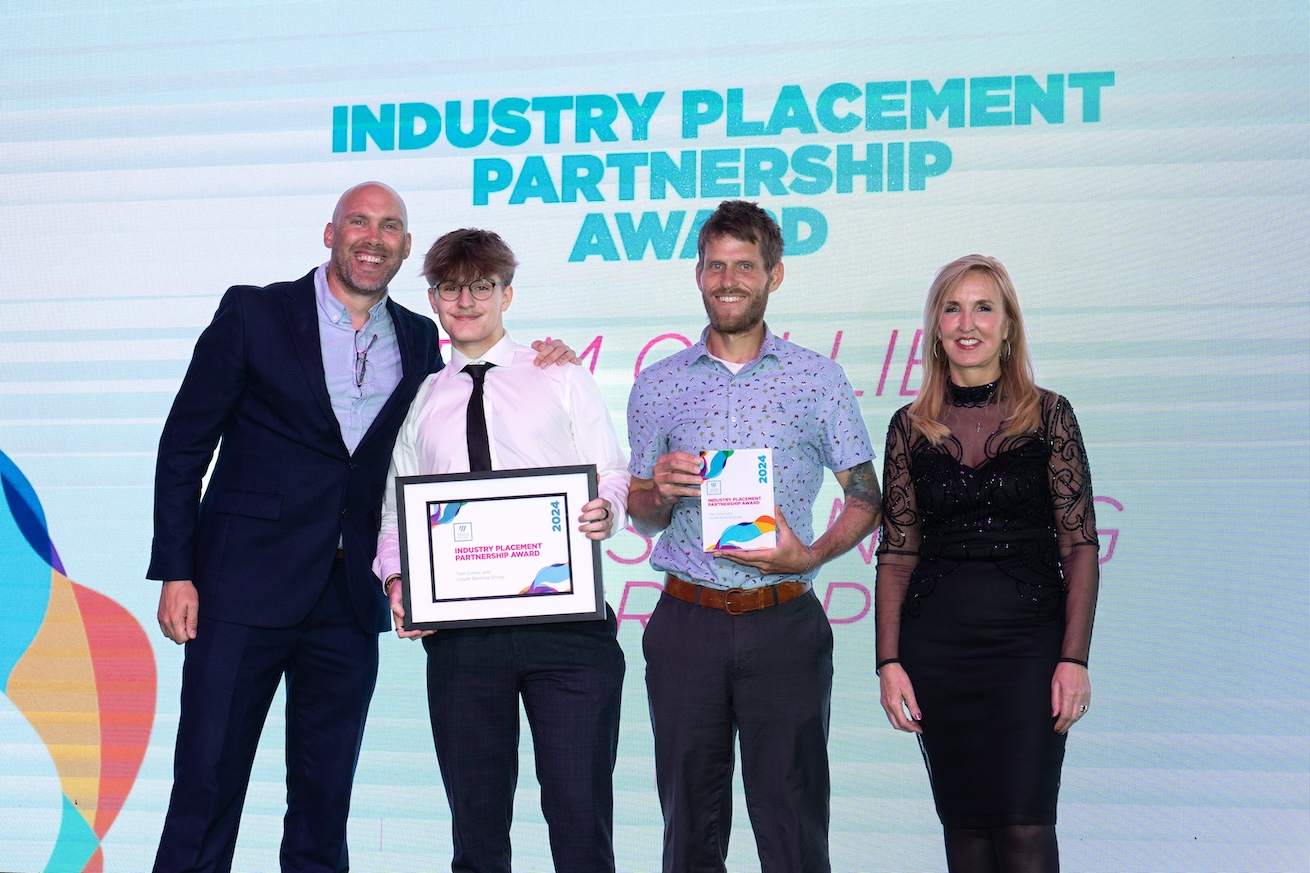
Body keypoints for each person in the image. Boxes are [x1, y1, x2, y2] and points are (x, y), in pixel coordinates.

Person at [148, 184, 573, 873]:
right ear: (330, 232)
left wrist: (540, 359)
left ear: (406, 247)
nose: (373, 237)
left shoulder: (417, 338)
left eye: (390, 227)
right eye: (359, 222)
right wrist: (176, 568)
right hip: (237, 591)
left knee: (325, 799)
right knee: (206, 783)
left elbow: (444, 450)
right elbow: (183, 446)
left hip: (347, 602)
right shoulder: (253, 313)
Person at [625, 200, 881, 873]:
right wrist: (656, 491)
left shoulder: (817, 379)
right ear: (699, 274)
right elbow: (641, 510)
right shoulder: (656, 386)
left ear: (775, 274)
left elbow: (866, 496)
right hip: (687, 622)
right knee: (688, 829)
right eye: (715, 265)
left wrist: (813, 552)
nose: (728, 279)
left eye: (745, 265)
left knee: (793, 826)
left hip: (784, 621)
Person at [373, 228, 629, 873]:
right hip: (462, 641)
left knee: (580, 822)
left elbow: (612, 470)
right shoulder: (422, 398)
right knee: (477, 833)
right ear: (433, 299)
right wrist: (399, 581)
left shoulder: (560, 372)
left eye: (481, 286)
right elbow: (394, 509)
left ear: (506, 293)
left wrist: (608, 509)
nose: (466, 300)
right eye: (450, 288)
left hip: (568, 632)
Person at [874, 254, 1100, 873]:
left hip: (1029, 650)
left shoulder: (1050, 415)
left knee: (1026, 834)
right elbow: (896, 554)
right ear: (936, 326)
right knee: (967, 839)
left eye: (982, 307)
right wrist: (888, 664)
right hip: (937, 652)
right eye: (952, 307)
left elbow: (1080, 546)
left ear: (1008, 326)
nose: (966, 322)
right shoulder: (908, 427)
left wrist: (1073, 660)